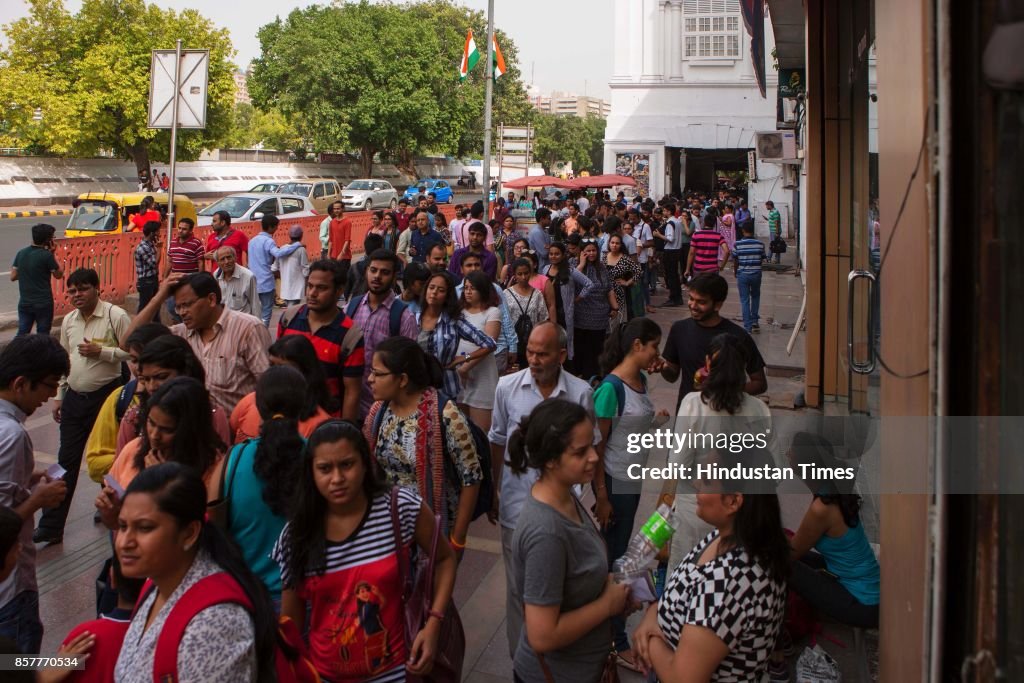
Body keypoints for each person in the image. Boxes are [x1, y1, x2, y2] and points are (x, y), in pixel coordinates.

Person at [272, 421, 457, 682]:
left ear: (364, 464)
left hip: (396, 673)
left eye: (347, 465)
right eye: (325, 469)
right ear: (311, 473)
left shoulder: (399, 508)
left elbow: (445, 559)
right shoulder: (295, 536)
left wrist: (434, 623)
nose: (337, 479)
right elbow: (292, 622)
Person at [489, 322, 599, 658]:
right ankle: (521, 657)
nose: (534, 359)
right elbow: (496, 441)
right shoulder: (506, 388)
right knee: (517, 589)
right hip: (515, 505)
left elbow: (591, 450)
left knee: (557, 585)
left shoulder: (580, 393)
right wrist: (496, 489)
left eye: (543, 353)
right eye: (530, 352)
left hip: (564, 510)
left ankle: (552, 647)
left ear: (562, 355)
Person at [632, 448, 789, 682]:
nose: (696, 482)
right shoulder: (729, 536)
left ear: (734, 501)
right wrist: (655, 612)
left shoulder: (729, 582)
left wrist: (648, 637)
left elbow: (682, 678)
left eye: (706, 479)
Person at [113, 463, 276, 682]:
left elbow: (78, 663)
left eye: (144, 528)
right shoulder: (156, 584)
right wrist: (51, 668)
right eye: (122, 526)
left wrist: (50, 668)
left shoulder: (215, 625)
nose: (125, 542)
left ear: (189, 533)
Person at [509, 398, 630, 683]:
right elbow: (542, 635)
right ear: (551, 460)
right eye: (580, 452)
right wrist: (607, 605)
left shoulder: (566, 496)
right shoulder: (545, 533)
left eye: (592, 445)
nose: (594, 457)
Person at [592, 319, 668, 669]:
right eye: (654, 346)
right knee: (617, 563)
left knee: (620, 556)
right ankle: (614, 639)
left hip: (630, 483)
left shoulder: (640, 380)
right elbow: (598, 446)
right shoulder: (610, 389)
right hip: (616, 486)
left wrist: (654, 423)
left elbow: (628, 427)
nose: (657, 353)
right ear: (637, 345)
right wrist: (603, 496)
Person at [35, 269, 130, 544]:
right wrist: (60, 396)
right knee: (65, 461)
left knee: (109, 459)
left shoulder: (116, 316)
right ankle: (51, 526)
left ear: (97, 289)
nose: (77, 295)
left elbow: (134, 351)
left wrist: (104, 352)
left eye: (83, 289)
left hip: (107, 397)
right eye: (72, 291)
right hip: (75, 399)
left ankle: (109, 506)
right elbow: (65, 360)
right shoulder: (69, 321)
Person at [363, 337, 483, 546]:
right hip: (388, 530)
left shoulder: (446, 415)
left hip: (433, 533)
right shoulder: (378, 412)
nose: (370, 379)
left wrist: (457, 539)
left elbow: (471, 478)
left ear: (402, 380)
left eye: (378, 374)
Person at [0, 335, 69, 653]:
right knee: (17, 667)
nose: (53, 393)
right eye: (49, 384)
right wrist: (38, 499)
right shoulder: (11, 435)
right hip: (10, 590)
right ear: (20, 384)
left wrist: (25, 478)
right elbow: (3, 526)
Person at [215, 366, 306, 604]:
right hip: (303, 599)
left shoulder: (233, 460)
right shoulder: (320, 458)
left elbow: (214, 529)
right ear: (303, 404)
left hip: (245, 596)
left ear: (259, 405)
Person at [124, 272, 272, 415]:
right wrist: (159, 297)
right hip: (193, 430)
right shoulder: (180, 334)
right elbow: (129, 342)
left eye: (187, 305)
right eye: (178, 307)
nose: (182, 312)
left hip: (238, 432)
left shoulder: (248, 329)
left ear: (211, 299)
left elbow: (268, 386)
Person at [787, 432, 880, 628]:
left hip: (863, 604)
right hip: (869, 589)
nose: (787, 454)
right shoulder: (831, 488)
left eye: (792, 452)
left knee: (780, 564)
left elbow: (790, 554)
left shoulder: (821, 508)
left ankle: (780, 632)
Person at [654, 272, 766, 410]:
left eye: (701, 302)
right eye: (691, 298)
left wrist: (724, 392)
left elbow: (760, 383)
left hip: (725, 418)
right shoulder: (679, 329)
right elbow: (672, 376)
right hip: (688, 415)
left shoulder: (738, 337)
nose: (693, 305)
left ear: (717, 305)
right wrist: (662, 367)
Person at [276, 260, 364, 421]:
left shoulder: (350, 334)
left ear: (339, 291)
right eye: (310, 286)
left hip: (325, 423)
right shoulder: (289, 318)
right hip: (287, 417)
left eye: (322, 288)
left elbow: (352, 390)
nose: (312, 293)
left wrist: (344, 431)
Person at [83, 323, 169, 484]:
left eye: (148, 360)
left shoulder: (196, 403)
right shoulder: (122, 401)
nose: (139, 368)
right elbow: (95, 465)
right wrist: (133, 462)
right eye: (134, 360)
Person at [123, 335, 233, 452]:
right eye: (146, 379)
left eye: (161, 377)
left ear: (185, 372)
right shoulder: (134, 418)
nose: (152, 387)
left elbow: (221, 463)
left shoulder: (213, 416)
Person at [346, 249, 419, 419]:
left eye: (385, 272)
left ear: (394, 277)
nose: (377, 276)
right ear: (366, 272)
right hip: (351, 405)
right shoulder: (351, 308)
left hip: (384, 410)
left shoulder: (403, 317)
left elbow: (410, 365)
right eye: (373, 270)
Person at [50, 554, 145, 683]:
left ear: (112, 577)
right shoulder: (167, 636)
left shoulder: (83, 638)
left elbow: (16, 665)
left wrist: (43, 674)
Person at [230, 335, 335, 444]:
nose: (275, 372)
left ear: (306, 373)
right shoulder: (249, 402)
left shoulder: (320, 426)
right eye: (272, 365)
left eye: (284, 367)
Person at [416, 272, 496, 400]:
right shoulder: (413, 318)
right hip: (417, 388)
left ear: (447, 296)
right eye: (431, 288)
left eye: (441, 290)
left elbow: (490, 344)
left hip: (446, 389)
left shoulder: (454, 321)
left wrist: (464, 358)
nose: (434, 292)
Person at [455, 271, 502, 433]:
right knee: (461, 431)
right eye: (466, 288)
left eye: (472, 288)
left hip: (482, 376)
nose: (467, 291)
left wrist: (466, 365)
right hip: (459, 378)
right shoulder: (459, 312)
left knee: (481, 433)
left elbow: (489, 345)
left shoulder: (491, 312)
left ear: (482, 290)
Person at [543, 242, 594, 373]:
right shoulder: (545, 269)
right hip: (548, 312)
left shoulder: (570, 271)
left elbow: (589, 284)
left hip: (564, 314)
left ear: (563, 255)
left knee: (564, 342)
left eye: (557, 254)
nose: (553, 256)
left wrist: (577, 299)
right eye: (551, 254)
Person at [572, 238, 618, 380]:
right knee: (582, 347)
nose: (591, 253)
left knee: (596, 348)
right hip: (581, 317)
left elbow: (609, 288)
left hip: (599, 316)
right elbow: (572, 282)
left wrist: (615, 307)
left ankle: (594, 375)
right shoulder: (573, 265)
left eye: (593, 250)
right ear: (582, 252)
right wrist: (581, 264)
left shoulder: (602, 268)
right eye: (588, 251)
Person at [248, 215, 303, 327]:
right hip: (265, 280)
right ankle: (262, 334)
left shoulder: (252, 241)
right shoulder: (268, 241)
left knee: (254, 311)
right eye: (276, 227)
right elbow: (277, 254)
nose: (277, 229)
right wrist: (296, 245)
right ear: (270, 227)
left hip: (253, 280)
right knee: (266, 311)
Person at [12, 223, 63, 336]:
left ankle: (16, 352)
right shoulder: (47, 256)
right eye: (53, 237)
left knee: (22, 333)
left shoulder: (21, 253)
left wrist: (28, 269)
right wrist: (53, 254)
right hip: (43, 303)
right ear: (48, 240)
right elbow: (59, 274)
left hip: (25, 302)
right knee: (43, 334)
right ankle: (41, 353)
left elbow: (13, 276)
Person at [504, 258, 549, 371]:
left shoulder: (537, 294)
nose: (523, 277)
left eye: (526, 273)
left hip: (533, 342)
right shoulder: (506, 294)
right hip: (513, 343)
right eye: (520, 274)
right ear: (514, 275)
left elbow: (543, 319)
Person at [162, 217, 204, 324]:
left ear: (190, 231)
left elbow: (200, 262)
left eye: (184, 229)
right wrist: (164, 278)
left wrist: (200, 278)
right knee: (171, 304)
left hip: (190, 278)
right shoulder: (173, 242)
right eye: (179, 228)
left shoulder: (196, 243)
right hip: (175, 278)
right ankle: (181, 322)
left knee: (188, 303)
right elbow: (170, 261)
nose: (180, 231)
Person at [732, 221, 768, 333]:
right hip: (756, 273)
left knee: (744, 299)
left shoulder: (737, 244)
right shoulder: (760, 244)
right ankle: (754, 321)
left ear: (743, 231)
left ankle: (747, 326)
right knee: (756, 296)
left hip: (743, 274)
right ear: (753, 230)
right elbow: (762, 259)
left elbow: (735, 260)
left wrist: (735, 271)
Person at [602, 233, 643, 322]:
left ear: (621, 245)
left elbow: (639, 271)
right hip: (605, 292)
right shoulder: (604, 257)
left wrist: (627, 282)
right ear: (609, 244)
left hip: (618, 292)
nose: (614, 245)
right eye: (612, 243)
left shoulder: (625, 259)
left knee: (617, 319)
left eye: (617, 243)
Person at [213, 246, 260, 318]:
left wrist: (258, 327)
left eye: (229, 257)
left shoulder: (248, 276)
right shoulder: (216, 275)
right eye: (222, 259)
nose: (226, 262)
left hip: (243, 324)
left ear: (235, 258)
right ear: (218, 263)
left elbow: (255, 305)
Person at [656, 203, 687, 308]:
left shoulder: (670, 223)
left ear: (669, 211)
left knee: (671, 276)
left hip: (670, 251)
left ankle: (674, 297)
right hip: (677, 249)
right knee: (674, 275)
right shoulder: (677, 221)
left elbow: (670, 238)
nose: (663, 212)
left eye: (665, 210)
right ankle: (677, 297)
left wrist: (658, 235)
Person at [275, 225, 310, 306]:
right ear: (301, 236)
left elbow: (275, 267)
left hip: (285, 287)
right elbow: (305, 269)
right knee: (293, 310)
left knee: (290, 308)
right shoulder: (301, 250)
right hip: (297, 287)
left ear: (289, 235)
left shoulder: (282, 249)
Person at [346, 233, 386, 301]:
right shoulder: (386, 269)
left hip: (356, 302)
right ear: (381, 248)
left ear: (365, 247)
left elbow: (346, 291)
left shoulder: (354, 267)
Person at [133, 221, 161, 311]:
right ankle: (138, 325)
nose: (159, 234)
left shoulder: (151, 244)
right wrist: (160, 249)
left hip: (152, 279)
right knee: (144, 309)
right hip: (146, 281)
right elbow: (154, 263)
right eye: (157, 232)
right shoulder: (143, 247)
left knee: (155, 309)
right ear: (152, 233)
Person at [328, 201, 354, 297]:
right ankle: (337, 294)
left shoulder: (347, 222)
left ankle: (345, 295)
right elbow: (331, 239)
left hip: (345, 256)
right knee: (335, 276)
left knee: (344, 276)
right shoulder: (332, 222)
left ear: (343, 209)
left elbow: (347, 240)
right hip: (334, 255)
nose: (336, 210)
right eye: (335, 209)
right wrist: (329, 253)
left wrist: (341, 254)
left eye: (338, 208)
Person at [529, 208, 553, 272]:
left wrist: (549, 247)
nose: (550, 221)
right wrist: (550, 247)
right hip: (541, 268)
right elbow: (544, 253)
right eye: (548, 218)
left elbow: (550, 246)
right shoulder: (537, 232)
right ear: (542, 219)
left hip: (545, 266)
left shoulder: (544, 230)